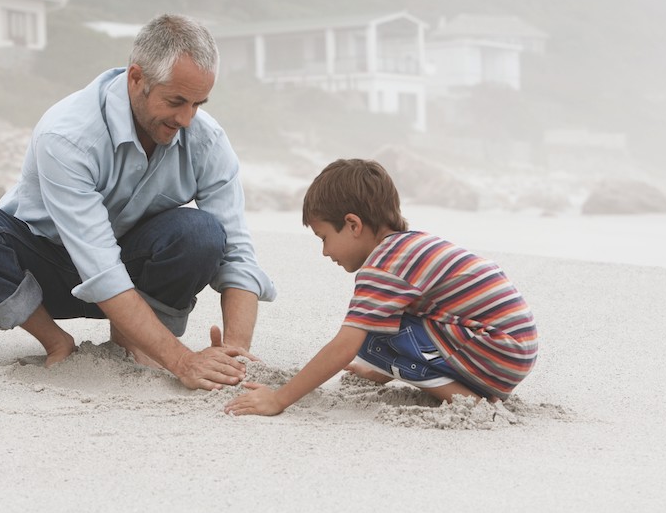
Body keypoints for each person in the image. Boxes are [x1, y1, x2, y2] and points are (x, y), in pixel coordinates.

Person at [0, 13, 276, 390]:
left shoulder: (206, 140)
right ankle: (56, 341)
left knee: (201, 233)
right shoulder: (68, 134)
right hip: (45, 272)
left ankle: (132, 344)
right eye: (176, 101)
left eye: (198, 104)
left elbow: (238, 254)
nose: (187, 119)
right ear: (136, 78)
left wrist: (236, 352)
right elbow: (99, 268)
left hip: (133, 274)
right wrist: (182, 361)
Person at [224, 159, 537, 416]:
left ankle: (467, 400)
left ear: (353, 225)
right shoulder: (408, 246)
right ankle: (456, 383)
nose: (325, 252)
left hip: (496, 350)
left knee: (365, 336)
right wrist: (384, 371)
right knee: (375, 326)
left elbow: (344, 344)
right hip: (510, 352)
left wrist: (279, 399)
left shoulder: (383, 265)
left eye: (324, 238)